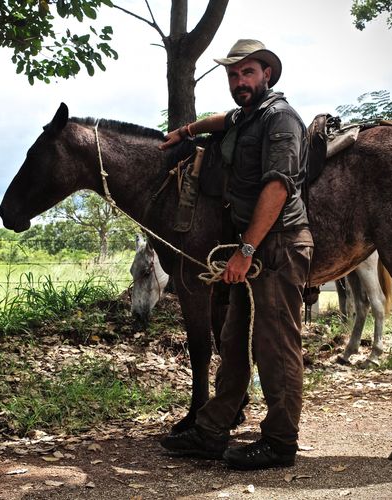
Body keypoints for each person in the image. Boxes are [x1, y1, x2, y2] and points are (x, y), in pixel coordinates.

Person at [158, 39, 313, 470]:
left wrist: (245, 250)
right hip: (251, 246)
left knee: (276, 345)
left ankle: (281, 443)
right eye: (232, 74)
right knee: (232, 337)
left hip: (277, 244)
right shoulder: (247, 117)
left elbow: (278, 187)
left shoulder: (280, 119)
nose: (239, 81)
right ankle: (212, 431)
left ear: (267, 74)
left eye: (248, 73)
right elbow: (219, 119)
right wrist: (186, 131)